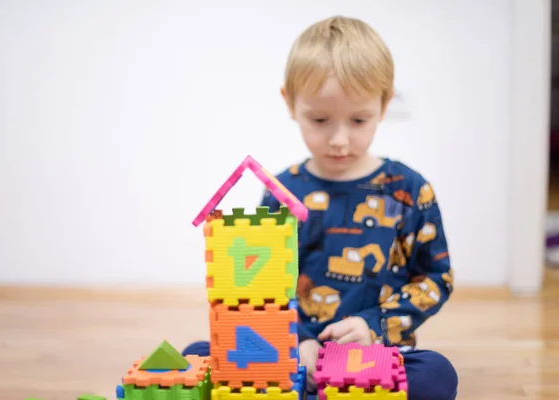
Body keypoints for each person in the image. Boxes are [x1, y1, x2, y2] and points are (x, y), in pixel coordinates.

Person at [183, 15, 458, 400]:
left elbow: (434, 279)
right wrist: (298, 341)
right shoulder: (283, 192)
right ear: (290, 104)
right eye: (320, 119)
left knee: (436, 374)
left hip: (375, 353)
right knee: (196, 357)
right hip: (292, 350)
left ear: (384, 103)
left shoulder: (410, 190)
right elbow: (263, 288)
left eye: (359, 120)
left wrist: (374, 326)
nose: (339, 139)